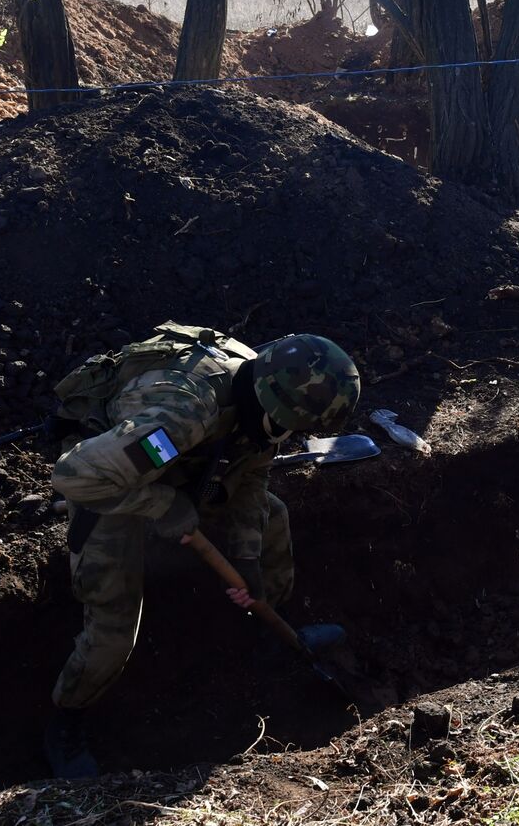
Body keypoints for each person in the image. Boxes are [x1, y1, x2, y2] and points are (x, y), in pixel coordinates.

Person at [42, 322, 360, 778]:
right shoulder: (182, 415)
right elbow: (75, 477)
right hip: (110, 482)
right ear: (274, 405)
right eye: (295, 427)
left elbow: (252, 475)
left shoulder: (263, 392)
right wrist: (164, 505)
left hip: (184, 463)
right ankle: (67, 720)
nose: (292, 437)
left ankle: (274, 632)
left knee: (274, 517)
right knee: (114, 630)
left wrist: (246, 556)